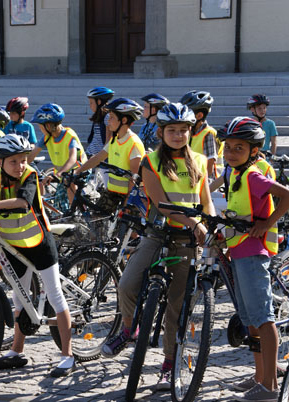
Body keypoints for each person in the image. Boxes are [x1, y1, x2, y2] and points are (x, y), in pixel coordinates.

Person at [101, 103, 214, 391]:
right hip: (158, 234)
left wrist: (210, 226)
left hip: (188, 242)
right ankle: (129, 328)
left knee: (177, 308)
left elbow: (206, 202)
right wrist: (193, 223)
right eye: (172, 130)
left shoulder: (200, 161)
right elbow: (162, 204)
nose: (178, 136)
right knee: (127, 284)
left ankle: (168, 365)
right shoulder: (151, 161)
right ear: (161, 132)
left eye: (183, 131)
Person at [0, 134, 75, 377]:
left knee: (54, 295)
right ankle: (16, 351)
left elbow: (23, 202)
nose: (20, 165)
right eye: (14, 161)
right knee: (20, 299)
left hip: (39, 243)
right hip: (13, 245)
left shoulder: (29, 175)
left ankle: (67, 355)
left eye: (23, 160)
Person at [216, 117, 289, 402]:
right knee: (250, 321)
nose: (231, 152)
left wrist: (267, 224)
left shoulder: (251, 175)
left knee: (263, 320)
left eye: (239, 148)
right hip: (238, 251)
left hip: (253, 254)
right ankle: (259, 376)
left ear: (253, 151)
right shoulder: (235, 174)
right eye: (227, 147)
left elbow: (288, 195)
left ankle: (270, 387)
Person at [74, 98, 145, 206]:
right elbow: (98, 158)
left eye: (111, 117)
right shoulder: (115, 140)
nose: (108, 122)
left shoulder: (134, 144)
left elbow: (134, 179)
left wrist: (126, 204)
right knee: (95, 219)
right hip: (112, 193)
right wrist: (78, 171)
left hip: (127, 196)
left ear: (124, 120)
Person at [27, 103, 87, 203]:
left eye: (40, 126)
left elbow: (73, 159)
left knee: (70, 187)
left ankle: (77, 215)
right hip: (63, 173)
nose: (40, 129)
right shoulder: (47, 137)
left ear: (49, 126)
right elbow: (31, 155)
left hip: (80, 170)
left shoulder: (69, 135)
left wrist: (58, 174)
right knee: (59, 203)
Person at [180, 90, 219, 177]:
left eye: (187, 113)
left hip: (209, 183)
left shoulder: (208, 133)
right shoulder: (190, 133)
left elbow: (209, 167)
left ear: (199, 116)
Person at [85, 87, 115, 158]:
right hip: (90, 155)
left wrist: (101, 158)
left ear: (98, 102)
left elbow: (108, 142)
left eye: (91, 102)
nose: (90, 105)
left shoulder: (107, 117)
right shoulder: (98, 116)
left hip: (99, 160)